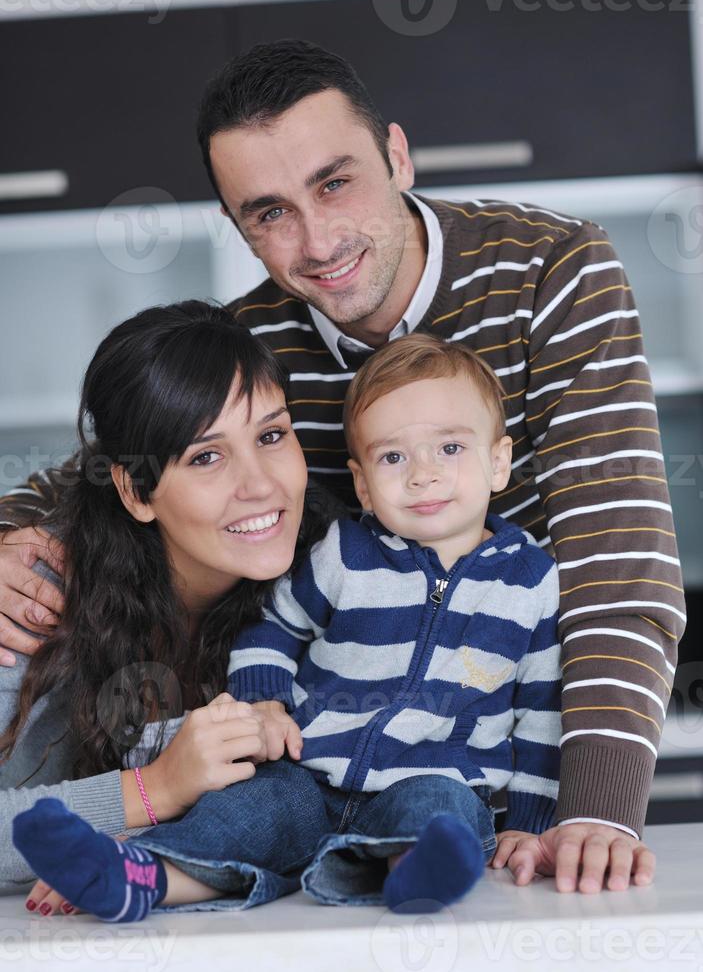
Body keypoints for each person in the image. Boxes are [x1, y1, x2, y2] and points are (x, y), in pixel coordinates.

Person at [0, 40, 680, 892]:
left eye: (335, 182)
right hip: (323, 772)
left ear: (396, 156)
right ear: (237, 225)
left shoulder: (550, 271)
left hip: (502, 792)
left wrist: (594, 810)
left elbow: (617, 563)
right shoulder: (255, 340)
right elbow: (113, 471)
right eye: (269, 212)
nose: (317, 241)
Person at [13, 334, 562, 918]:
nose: (423, 476)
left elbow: (541, 714)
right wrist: (263, 703)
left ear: (499, 461)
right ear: (362, 484)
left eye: (450, 448)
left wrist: (529, 823)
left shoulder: (530, 583)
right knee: (245, 813)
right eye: (394, 458)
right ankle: (137, 877)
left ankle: (415, 875)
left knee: (439, 810)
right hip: (306, 770)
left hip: (433, 776)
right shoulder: (342, 555)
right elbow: (275, 627)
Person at [0, 300, 339, 915]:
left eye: (271, 435)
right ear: (134, 491)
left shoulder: (335, 580)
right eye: (206, 457)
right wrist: (156, 789)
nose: (261, 484)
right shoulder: (31, 598)